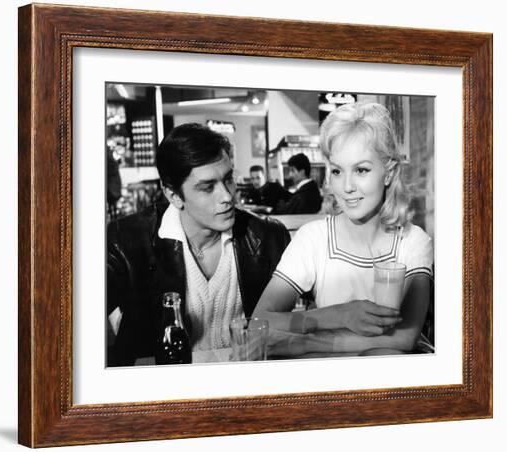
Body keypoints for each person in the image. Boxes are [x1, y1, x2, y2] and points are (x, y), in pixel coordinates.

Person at [253, 102, 433, 356]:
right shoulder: (313, 237)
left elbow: (405, 338)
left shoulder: (413, 241)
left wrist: (305, 342)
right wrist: (338, 315)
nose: (346, 186)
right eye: (337, 171)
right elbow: (259, 321)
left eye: (361, 170)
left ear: (389, 173)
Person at [107, 123, 290, 366]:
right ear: (173, 195)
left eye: (228, 180)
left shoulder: (268, 237)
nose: (227, 196)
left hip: (246, 382)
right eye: (208, 187)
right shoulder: (126, 242)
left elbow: (294, 322)